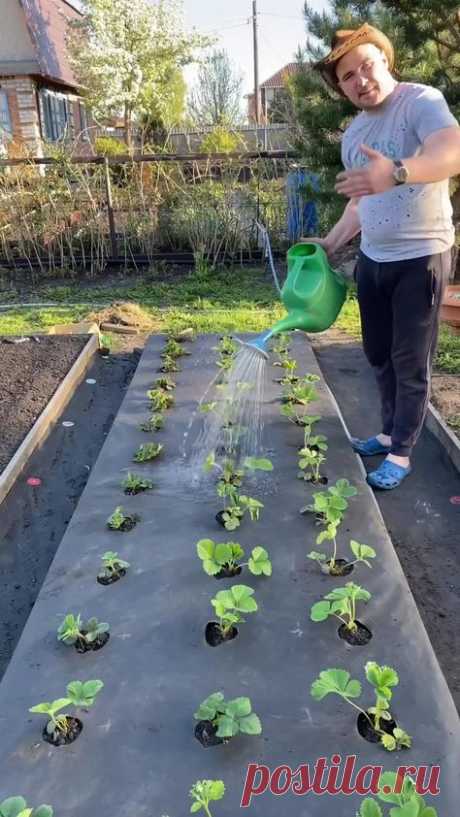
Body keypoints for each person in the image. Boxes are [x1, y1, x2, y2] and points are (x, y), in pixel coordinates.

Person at [305, 23, 460, 490]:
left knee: (410, 359)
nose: (360, 80)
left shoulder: (421, 102)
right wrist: (330, 244)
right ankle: (390, 429)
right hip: (373, 259)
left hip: (421, 256)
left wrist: (397, 171)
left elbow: (452, 152)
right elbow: (360, 202)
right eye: (347, 76)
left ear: (385, 60)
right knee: (378, 354)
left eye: (366, 66)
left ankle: (402, 452)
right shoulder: (354, 135)